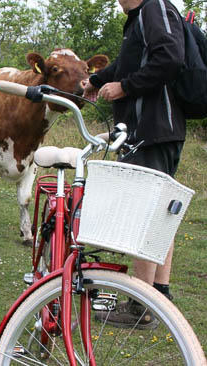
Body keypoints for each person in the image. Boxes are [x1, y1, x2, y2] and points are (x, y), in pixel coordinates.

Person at [83, 0, 186, 329]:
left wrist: (125, 87)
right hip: (154, 133)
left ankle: (141, 304)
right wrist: (98, 80)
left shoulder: (154, 8)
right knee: (160, 213)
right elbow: (128, 65)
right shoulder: (140, 18)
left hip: (152, 131)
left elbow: (170, 58)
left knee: (145, 216)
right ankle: (158, 296)